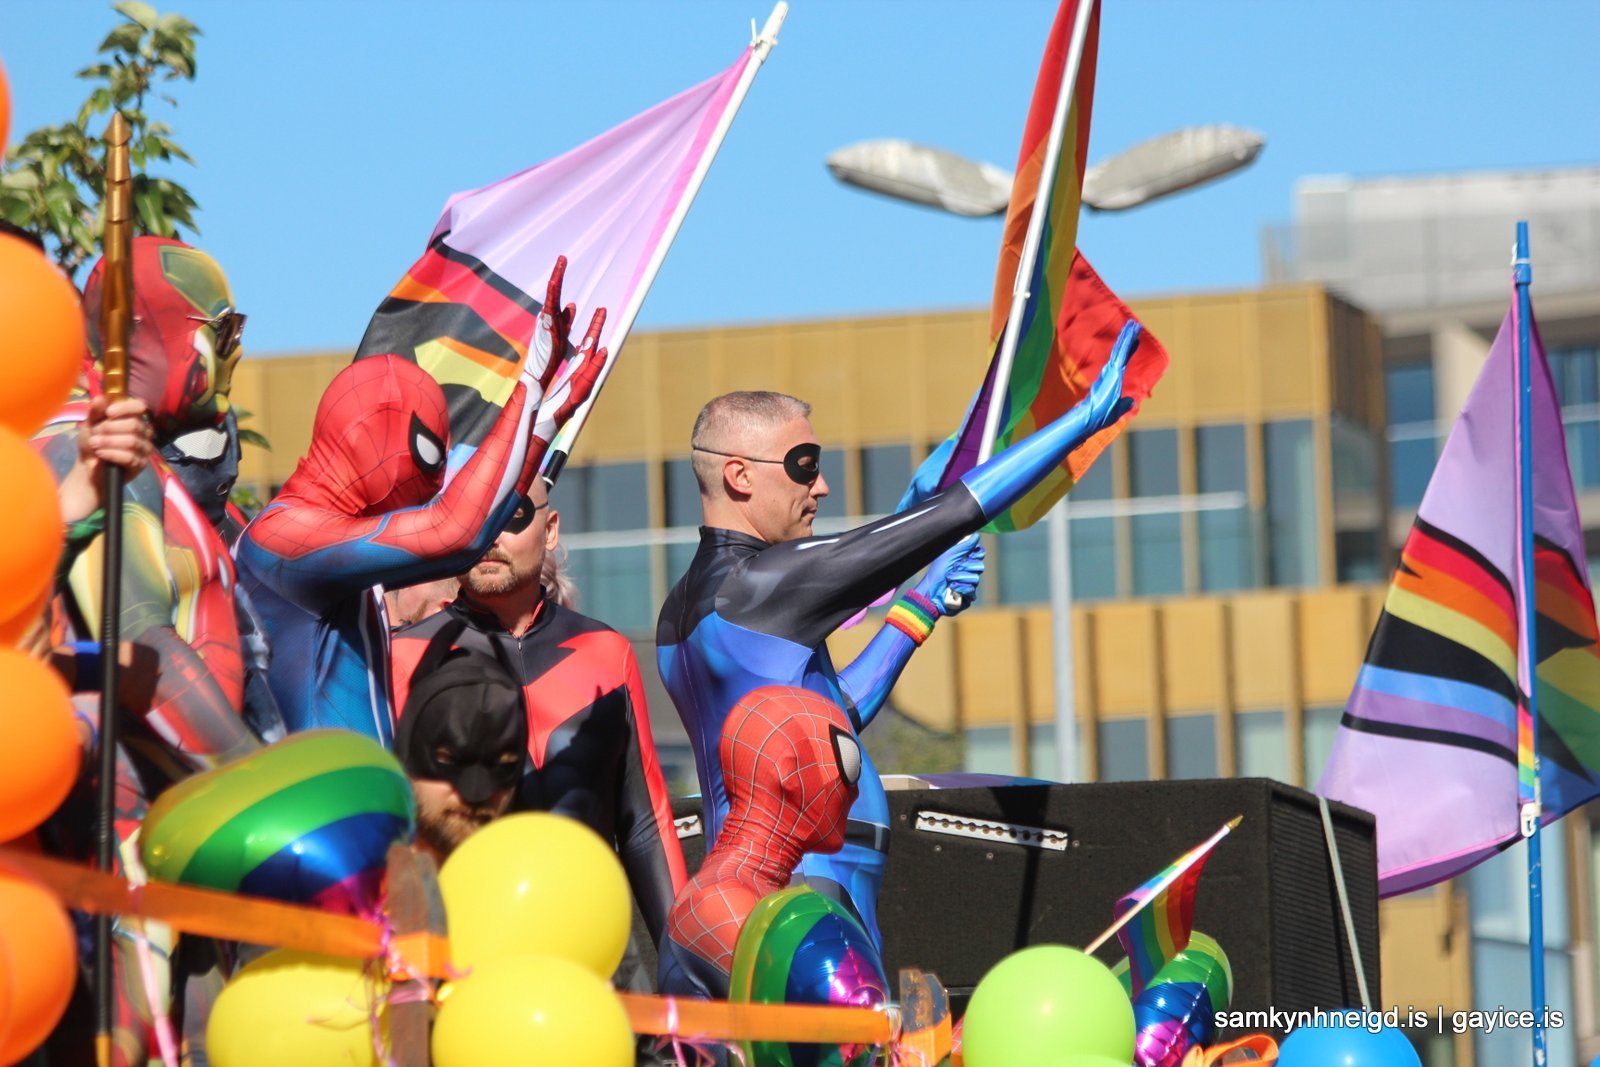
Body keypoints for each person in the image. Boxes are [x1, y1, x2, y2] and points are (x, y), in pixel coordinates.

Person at [656, 325, 1138, 947]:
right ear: (740, 476)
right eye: (804, 467)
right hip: (805, 881)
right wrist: (1079, 423)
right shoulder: (759, 586)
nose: (820, 487)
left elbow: (829, 723)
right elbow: (951, 514)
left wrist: (921, 607)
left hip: (776, 883)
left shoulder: (690, 607)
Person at [236, 257, 604, 744]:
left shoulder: (323, 545)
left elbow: (469, 539)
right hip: (314, 790)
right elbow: (456, 533)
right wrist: (530, 385)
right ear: (370, 439)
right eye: (429, 459)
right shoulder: (282, 539)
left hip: (358, 786)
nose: (432, 484)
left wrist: (543, 421)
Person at [389, 476, 687, 965]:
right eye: (474, 518)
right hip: (468, 961)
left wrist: (684, 970)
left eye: (511, 518)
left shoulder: (605, 652)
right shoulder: (405, 658)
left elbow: (646, 825)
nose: (490, 537)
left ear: (550, 531)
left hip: (594, 959)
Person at [658, 686, 861, 1001]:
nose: (855, 792)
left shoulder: (755, 896)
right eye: (848, 765)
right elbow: (822, 1016)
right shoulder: (719, 902)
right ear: (788, 769)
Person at [395, 620, 528, 865]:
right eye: (447, 759)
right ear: (406, 752)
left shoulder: (540, 882)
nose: (474, 794)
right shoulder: (360, 881)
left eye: (503, 764)